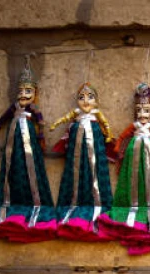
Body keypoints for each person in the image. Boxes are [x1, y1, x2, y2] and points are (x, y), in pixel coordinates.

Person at [98, 83, 150, 254]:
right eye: (139, 110)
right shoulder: (135, 127)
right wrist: (117, 148)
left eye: (146, 110)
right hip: (134, 152)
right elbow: (123, 135)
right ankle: (133, 214)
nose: (142, 114)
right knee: (133, 179)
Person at [0, 60, 57, 242]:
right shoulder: (15, 108)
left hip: (30, 140)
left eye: (28, 91)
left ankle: (37, 213)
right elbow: (5, 116)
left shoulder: (32, 109)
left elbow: (40, 120)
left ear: (35, 94)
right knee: (13, 166)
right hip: (14, 139)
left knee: (31, 168)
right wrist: (0, 123)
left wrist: (41, 134)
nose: (23, 95)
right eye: (20, 91)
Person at [51, 82, 114, 241]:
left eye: (90, 97)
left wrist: (108, 134)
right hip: (77, 154)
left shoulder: (96, 117)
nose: (86, 101)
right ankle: (72, 209)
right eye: (81, 97)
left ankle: (98, 211)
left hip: (95, 149)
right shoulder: (76, 118)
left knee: (95, 175)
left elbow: (105, 124)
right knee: (75, 173)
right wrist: (55, 124)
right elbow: (65, 118)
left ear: (96, 101)